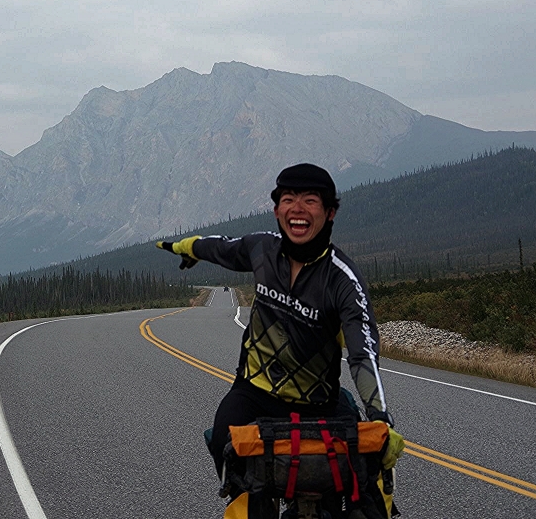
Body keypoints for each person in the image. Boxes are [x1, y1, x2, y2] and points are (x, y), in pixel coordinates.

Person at [157, 163, 403, 514]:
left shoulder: (344, 279)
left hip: (319, 404)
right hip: (254, 394)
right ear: (276, 210)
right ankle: (247, 498)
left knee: (363, 479)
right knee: (224, 444)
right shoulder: (263, 249)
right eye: (288, 199)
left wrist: (379, 416)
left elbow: (363, 353)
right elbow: (221, 248)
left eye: (310, 200)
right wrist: (187, 247)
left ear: (330, 212)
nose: (297, 208)